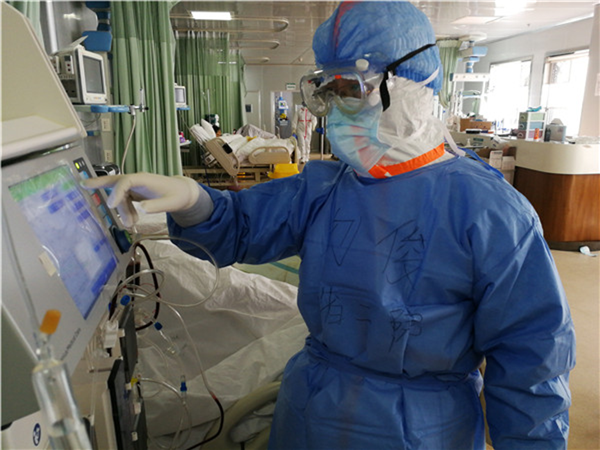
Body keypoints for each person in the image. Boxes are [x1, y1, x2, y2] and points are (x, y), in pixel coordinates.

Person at [84, 2, 575, 449]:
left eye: (353, 91)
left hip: (421, 428)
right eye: (329, 92)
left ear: (411, 86)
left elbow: (532, 357)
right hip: (312, 409)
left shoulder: (490, 211)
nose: (336, 111)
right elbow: (241, 227)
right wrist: (194, 200)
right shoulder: (324, 187)